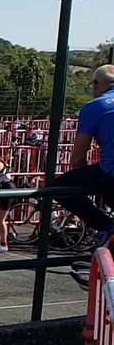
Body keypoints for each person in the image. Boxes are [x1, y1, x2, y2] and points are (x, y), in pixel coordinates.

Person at [57, 64, 114, 287]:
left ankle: (105, 225)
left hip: (111, 172)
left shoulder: (95, 106)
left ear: (96, 85)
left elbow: (78, 157)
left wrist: (85, 178)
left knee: (62, 186)